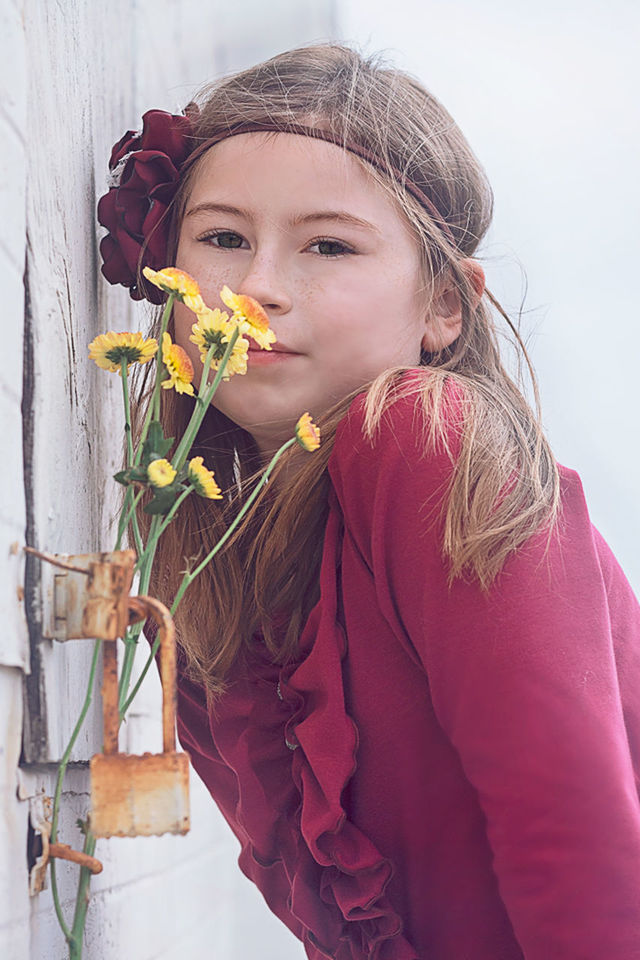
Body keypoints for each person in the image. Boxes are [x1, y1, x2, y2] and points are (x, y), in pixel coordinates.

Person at [97, 43, 640, 960]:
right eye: (223, 237)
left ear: (444, 306)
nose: (257, 288)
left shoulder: (423, 438)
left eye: (329, 245)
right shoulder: (185, 523)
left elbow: (574, 837)